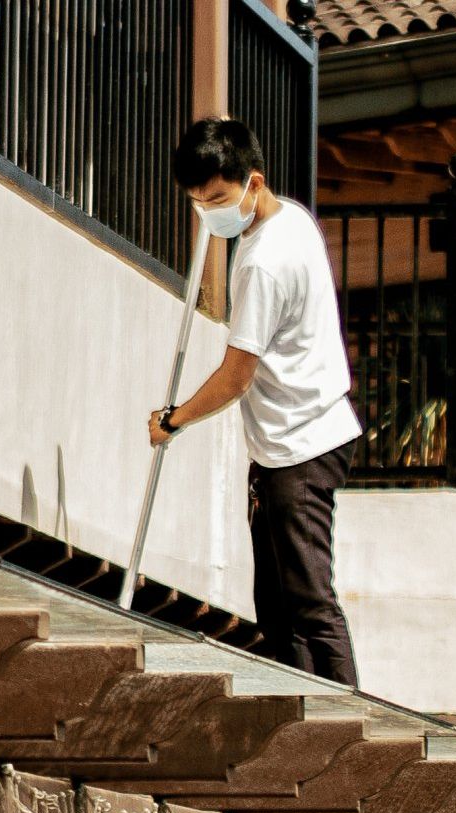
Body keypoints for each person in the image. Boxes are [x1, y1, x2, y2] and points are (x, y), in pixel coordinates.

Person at [150, 116, 361, 686]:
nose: (209, 212)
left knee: (308, 601)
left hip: (302, 444)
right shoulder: (289, 218)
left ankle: (351, 729)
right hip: (285, 446)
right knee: (276, 607)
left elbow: (237, 375)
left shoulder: (266, 262)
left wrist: (174, 419)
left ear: (254, 182)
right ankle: (302, 716)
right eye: (198, 202)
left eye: (217, 198)